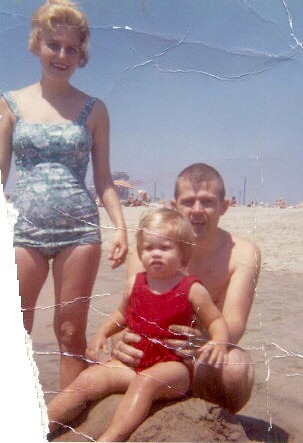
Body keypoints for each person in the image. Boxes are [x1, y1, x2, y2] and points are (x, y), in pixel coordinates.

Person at [0, 0, 128, 389]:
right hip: (23, 231)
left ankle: (71, 424)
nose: (62, 55)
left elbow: (104, 179)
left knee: (71, 331)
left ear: (81, 55)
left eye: (72, 49)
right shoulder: (9, 104)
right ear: (38, 43)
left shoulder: (95, 110)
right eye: (54, 45)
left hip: (80, 234)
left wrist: (120, 227)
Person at [47, 208, 229, 442]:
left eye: (165, 248)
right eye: (149, 248)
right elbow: (122, 313)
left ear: (183, 253)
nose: (156, 254)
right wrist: (102, 332)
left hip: (173, 369)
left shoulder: (192, 288)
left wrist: (219, 341)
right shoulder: (136, 283)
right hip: (132, 365)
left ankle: (111, 437)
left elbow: (216, 320)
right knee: (88, 378)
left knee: (146, 383)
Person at [112, 163, 261, 413]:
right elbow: (129, 313)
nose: (197, 210)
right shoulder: (151, 249)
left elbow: (234, 324)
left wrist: (203, 342)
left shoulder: (244, 253)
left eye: (207, 202)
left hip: (200, 355)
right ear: (175, 206)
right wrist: (117, 339)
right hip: (150, 352)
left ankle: (216, 427)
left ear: (224, 206)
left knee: (237, 369)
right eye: (188, 201)